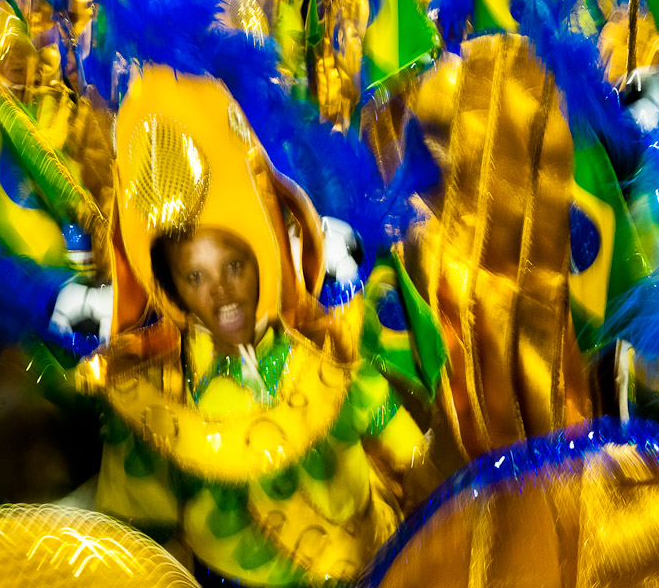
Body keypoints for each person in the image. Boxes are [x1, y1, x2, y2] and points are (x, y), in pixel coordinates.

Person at [80, 64, 438, 587]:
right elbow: (138, 553)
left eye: (234, 266)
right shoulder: (155, 398)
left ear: (263, 260)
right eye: (195, 276)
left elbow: (417, 465)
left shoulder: (328, 354)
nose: (221, 291)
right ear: (173, 291)